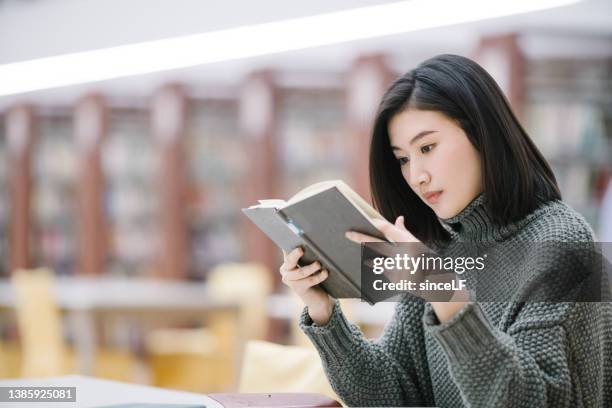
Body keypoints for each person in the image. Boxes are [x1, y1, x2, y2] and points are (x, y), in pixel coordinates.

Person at [279, 54, 612, 407]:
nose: (416, 175)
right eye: (403, 159)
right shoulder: (440, 249)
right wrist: (324, 313)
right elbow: (393, 395)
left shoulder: (561, 241)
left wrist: (445, 294)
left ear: (483, 135)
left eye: (427, 147)